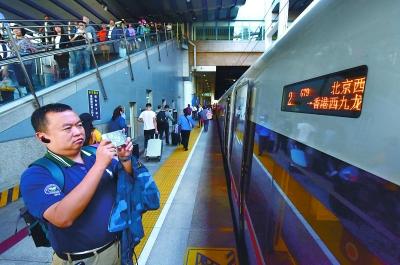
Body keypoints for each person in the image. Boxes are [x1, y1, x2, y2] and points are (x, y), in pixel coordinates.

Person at [20, 103, 133, 265]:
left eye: (79, 125)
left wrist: (125, 159)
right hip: (83, 259)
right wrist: (100, 166)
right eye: (67, 128)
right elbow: (62, 217)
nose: (78, 131)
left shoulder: (94, 153)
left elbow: (127, 182)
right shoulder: (37, 174)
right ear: (43, 137)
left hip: (118, 248)